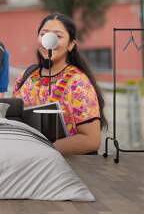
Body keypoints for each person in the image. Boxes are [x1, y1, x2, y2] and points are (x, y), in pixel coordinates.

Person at [13, 13, 107, 155]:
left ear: (71, 45)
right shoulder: (25, 77)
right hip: (28, 167)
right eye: (44, 34)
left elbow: (91, 140)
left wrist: (43, 150)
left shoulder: (78, 83)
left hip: (66, 170)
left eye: (58, 36)